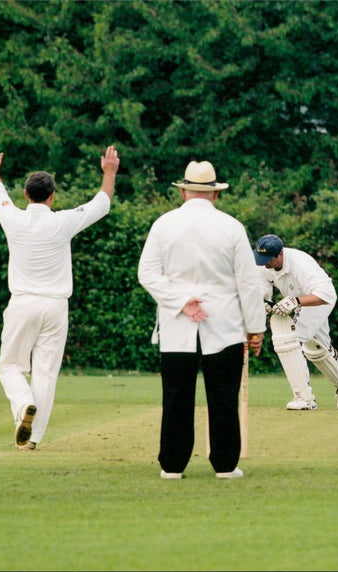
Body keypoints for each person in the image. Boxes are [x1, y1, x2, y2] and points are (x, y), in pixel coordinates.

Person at [0, 142, 119, 450]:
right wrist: (109, 172)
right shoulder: (62, 220)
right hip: (56, 307)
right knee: (45, 372)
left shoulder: (13, 218)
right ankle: (33, 438)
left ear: (26, 195)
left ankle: (23, 406)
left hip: (23, 302)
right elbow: (102, 203)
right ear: (52, 196)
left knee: (10, 366)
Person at [138, 160, 266, 480]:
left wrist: (181, 302)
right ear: (215, 194)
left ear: (183, 191)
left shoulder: (164, 224)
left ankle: (172, 465)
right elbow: (248, 282)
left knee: (177, 396)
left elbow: (147, 274)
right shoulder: (232, 226)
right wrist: (256, 329)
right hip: (224, 324)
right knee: (224, 396)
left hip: (177, 325)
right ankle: (225, 465)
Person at [254, 234, 338, 410]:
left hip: (317, 300)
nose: (264, 263)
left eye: (268, 259)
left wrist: (296, 301)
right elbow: (261, 281)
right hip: (298, 301)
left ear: (280, 254)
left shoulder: (301, 264)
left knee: (288, 336)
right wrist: (264, 300)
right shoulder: (263, 263)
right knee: (316, 349)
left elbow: (326, 294)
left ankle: (304, 398)